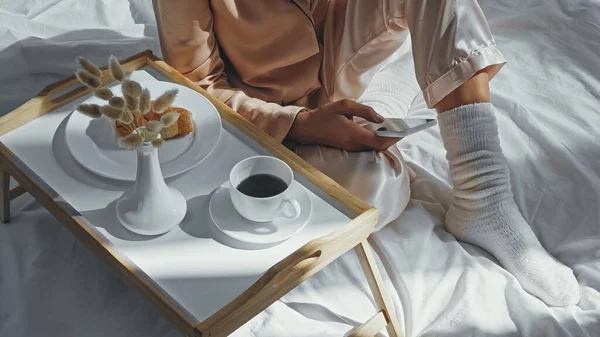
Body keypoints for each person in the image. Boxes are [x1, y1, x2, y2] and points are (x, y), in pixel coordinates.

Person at [152, 0, 579, 306]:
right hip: (267, 111)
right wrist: (298, 124)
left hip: (341, 61)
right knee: (372, 187)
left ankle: (485, 197)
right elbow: (196, 86)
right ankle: (394, 91)